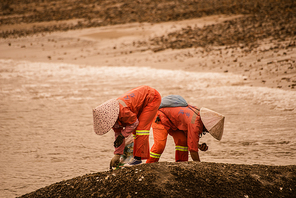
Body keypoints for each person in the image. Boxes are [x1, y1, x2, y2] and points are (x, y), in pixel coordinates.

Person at [93, 85, 161, 168]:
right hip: (142, 100)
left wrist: (123, 135)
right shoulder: (113, 119)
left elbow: (134, 123)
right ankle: (136, 157)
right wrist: (117, 154)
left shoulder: (123, 112)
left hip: (152, 97)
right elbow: (118, 135)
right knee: (135, 130)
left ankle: (137, 159)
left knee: (141, 129)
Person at [146, 95, 225, 163]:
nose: (207, 132)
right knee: (159, 146)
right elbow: (193, 150)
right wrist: (200, 167)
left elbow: (190, 140)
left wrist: (198, 145)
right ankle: (148, 166)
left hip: (174, 122)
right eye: (208, 130)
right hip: (160, 116)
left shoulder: (198, 115)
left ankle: (181, 164)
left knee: (183, 141)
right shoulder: (195, 124)